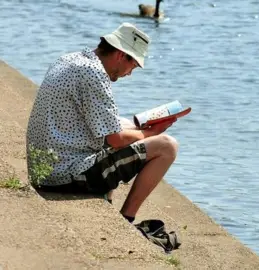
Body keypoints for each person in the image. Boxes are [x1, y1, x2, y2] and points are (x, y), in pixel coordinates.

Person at [26, 22, 178, 224]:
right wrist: (153, 133)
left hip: (44, 169)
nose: (130, 73)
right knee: (167, 146)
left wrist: (140, 129)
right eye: (133, 66)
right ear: (121, 55)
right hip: (64, 175)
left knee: (124, 124)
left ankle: (109, 203)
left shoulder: (70, 59)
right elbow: (116, 139)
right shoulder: (94, 74)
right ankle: (127, 219)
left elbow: (107, 126)